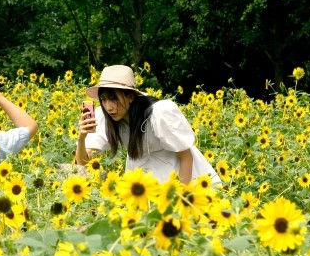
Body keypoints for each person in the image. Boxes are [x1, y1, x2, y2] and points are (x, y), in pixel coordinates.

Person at [75, 65, 220, 185]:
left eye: (113, 98)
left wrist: (182, 197)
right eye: (104, 99)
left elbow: (185, 156)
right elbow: (84, 164)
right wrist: (82, 138)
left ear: (130, 97)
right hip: (144, 184)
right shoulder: (106, 118)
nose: (109, 107)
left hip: (184, 177)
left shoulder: (159, 113)